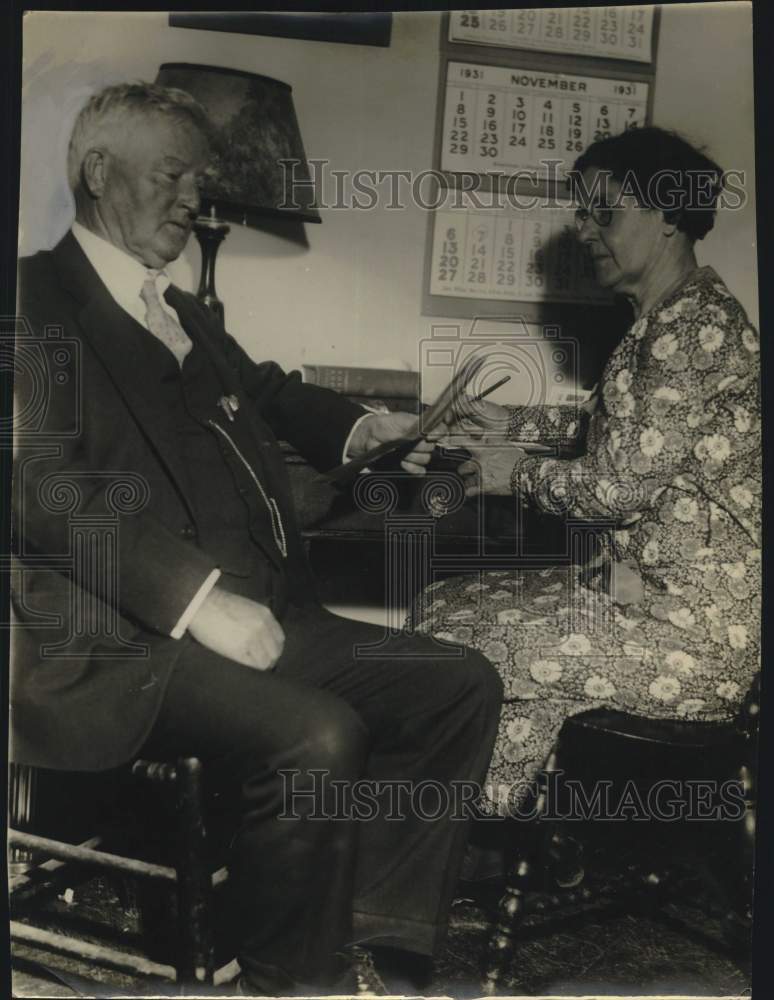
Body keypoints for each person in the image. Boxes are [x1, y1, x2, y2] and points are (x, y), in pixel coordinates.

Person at [10, 82, 504, 995]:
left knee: (456, 685)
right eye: (175, 174)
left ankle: (366, 941)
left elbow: (267, 390)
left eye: (202, 177)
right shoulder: (30, 299)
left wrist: (366, 431)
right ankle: (283, 981)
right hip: (123, 643)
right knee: (318, 734)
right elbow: (39, 484)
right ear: (96, 172)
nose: (198, 198)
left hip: (265, 615)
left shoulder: (186, 311)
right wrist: (197, 598)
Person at [411, 127, 760, 817]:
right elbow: (623, 436)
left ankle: (467, 834)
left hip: (695, 635)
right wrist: (508, 425)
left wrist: (515, 473)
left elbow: (616, 487)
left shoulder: (691, 332)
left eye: (606, 212)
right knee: (442, 606)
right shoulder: (670, 318)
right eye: (583, 213)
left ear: (666, 215)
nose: (587, 229)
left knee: (467, 637)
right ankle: (488, 824)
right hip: (642, 596)